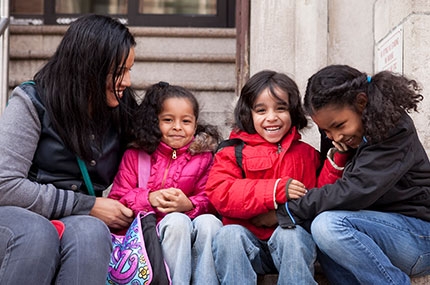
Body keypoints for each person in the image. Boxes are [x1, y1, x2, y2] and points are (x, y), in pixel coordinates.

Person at [0, 14, 138, 284]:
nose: (129, 81)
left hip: (81, 218)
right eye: (120, 71)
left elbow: (164, 141)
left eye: (130, 69)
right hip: (17, 214)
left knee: (92, 232)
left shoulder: (121, 107)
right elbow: (5, 185)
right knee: (36, 233)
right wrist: (86, 205)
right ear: (90, 68)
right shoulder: (31, 101)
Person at [277, 64, 430, 284]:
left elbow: (353, 190)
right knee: (315, 223)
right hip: (378, 230)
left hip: (420, 237)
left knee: (328, 226)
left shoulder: (394, 130)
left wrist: (288, 210)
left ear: (361, 103)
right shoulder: (347, 136)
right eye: (326, 131)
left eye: (339, 125)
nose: (334, 137)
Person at [205, 70, 348, 284]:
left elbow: (320, 195)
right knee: (228, 235)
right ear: (248, 114)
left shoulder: (306, 154)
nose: (271, 117)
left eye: (281, 108)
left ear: (293, 112)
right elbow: (220, 193)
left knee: (291, 234)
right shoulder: (232, 151)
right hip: (247, 244)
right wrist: (275, 190)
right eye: (261, 110)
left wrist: (336, 163)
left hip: (291, 247)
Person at [108, 81, 223, 285]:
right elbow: (117, 199)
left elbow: (211, 199)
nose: (177, 127)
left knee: (211, 223)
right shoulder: (137, 155)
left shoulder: (204, 158)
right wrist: (148, 198)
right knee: (176, 222)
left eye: (186, 121)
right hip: (149, 236)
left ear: (195, 125)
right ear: (156, 122)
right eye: (168, 120)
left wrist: (189, 205)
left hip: (190, 230)